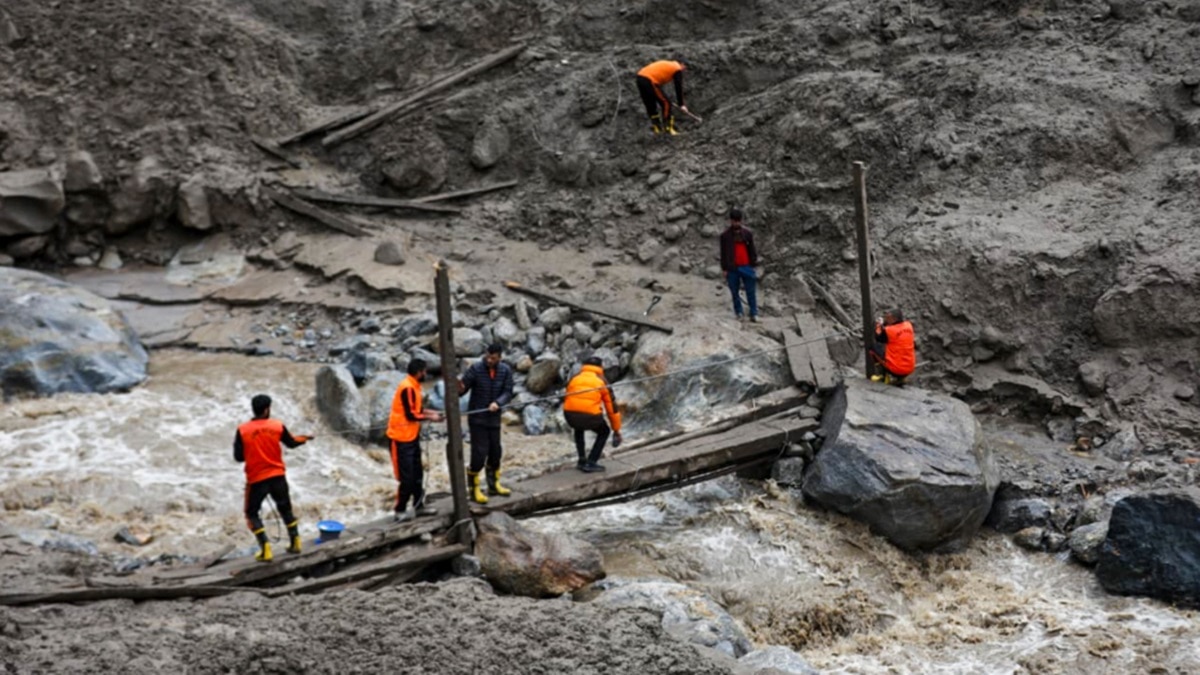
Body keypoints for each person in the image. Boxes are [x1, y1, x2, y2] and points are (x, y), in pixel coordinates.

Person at [233, 394, 312, 563]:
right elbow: (291, 442)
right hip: (278, 477)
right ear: (267, 409)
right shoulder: (277, 426)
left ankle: (266, 549)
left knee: (251, 513)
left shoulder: (242, 430)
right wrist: (304, 439)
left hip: (256, 480)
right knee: (285, 509)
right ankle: (295, 543)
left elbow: (238, 457)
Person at [387, 358, 444, 522]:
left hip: (410, 436)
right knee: (407, 478)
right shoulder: (408, 388)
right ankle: (400, 510)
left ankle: (419, 506)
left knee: (418, 473)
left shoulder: (414, 386)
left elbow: (417, 410)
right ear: (419, 372)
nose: (426, 374)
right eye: (424, 371)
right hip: (400, 439)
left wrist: (432, 413)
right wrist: (432, 418)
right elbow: (411, 415)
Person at [458, 343, 515, 504]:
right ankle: (474, 488)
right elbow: (463, 389)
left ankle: (493, 484)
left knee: (496, 451)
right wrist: (458, 387)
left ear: (499, 357)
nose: (489, 360)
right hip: (478, 419)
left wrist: (498, 402)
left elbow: (508, 391)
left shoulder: (505, 371)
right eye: (488, 357)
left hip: (494, 417)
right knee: (479, 453)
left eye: (493, 358)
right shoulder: (476, 369)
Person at [562, 357, 623, 473]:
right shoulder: (602, 381)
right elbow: (612, 408)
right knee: (604, 431)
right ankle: (591, 462)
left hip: (569, 415)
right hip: (590, 416)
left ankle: (581, 460)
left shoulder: (574, 378)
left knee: (578, 428)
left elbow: (567, 397)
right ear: (601, 367)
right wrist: (616, 430)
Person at [719, 206, 759, 322]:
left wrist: (753, 264)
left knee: (751, 291)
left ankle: (754, 313)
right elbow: (723, 253)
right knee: (734, 292)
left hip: (746, 266)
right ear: (731, 221)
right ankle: (739, 312)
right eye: (734, 221)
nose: (736, 223)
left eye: (738, 220)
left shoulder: (747, 234)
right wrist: (724, 268)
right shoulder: (725, 236)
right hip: (732, 268)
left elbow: (752, 250)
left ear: (741, 220)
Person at [636, 59, 690, 135]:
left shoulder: (670, 65)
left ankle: (657, 128)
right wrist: (681, 104)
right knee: (666, 103)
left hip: (640, 77)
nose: (684, 70)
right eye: (685, 67)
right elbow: (678, 87)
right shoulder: (677, 68)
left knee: (650, 104)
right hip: (649, 80)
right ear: (682, 64)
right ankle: (668, 128)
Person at [871, 308, 916, 385]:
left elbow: (878, 337)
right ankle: (901, 378)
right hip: (910, 367)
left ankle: (883, 375)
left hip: (896, 369)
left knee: (873, 348)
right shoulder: (908, 325)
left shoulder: (889, 331)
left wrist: (879, 325)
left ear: (894, 319)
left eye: (888, 318)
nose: (886, 319)